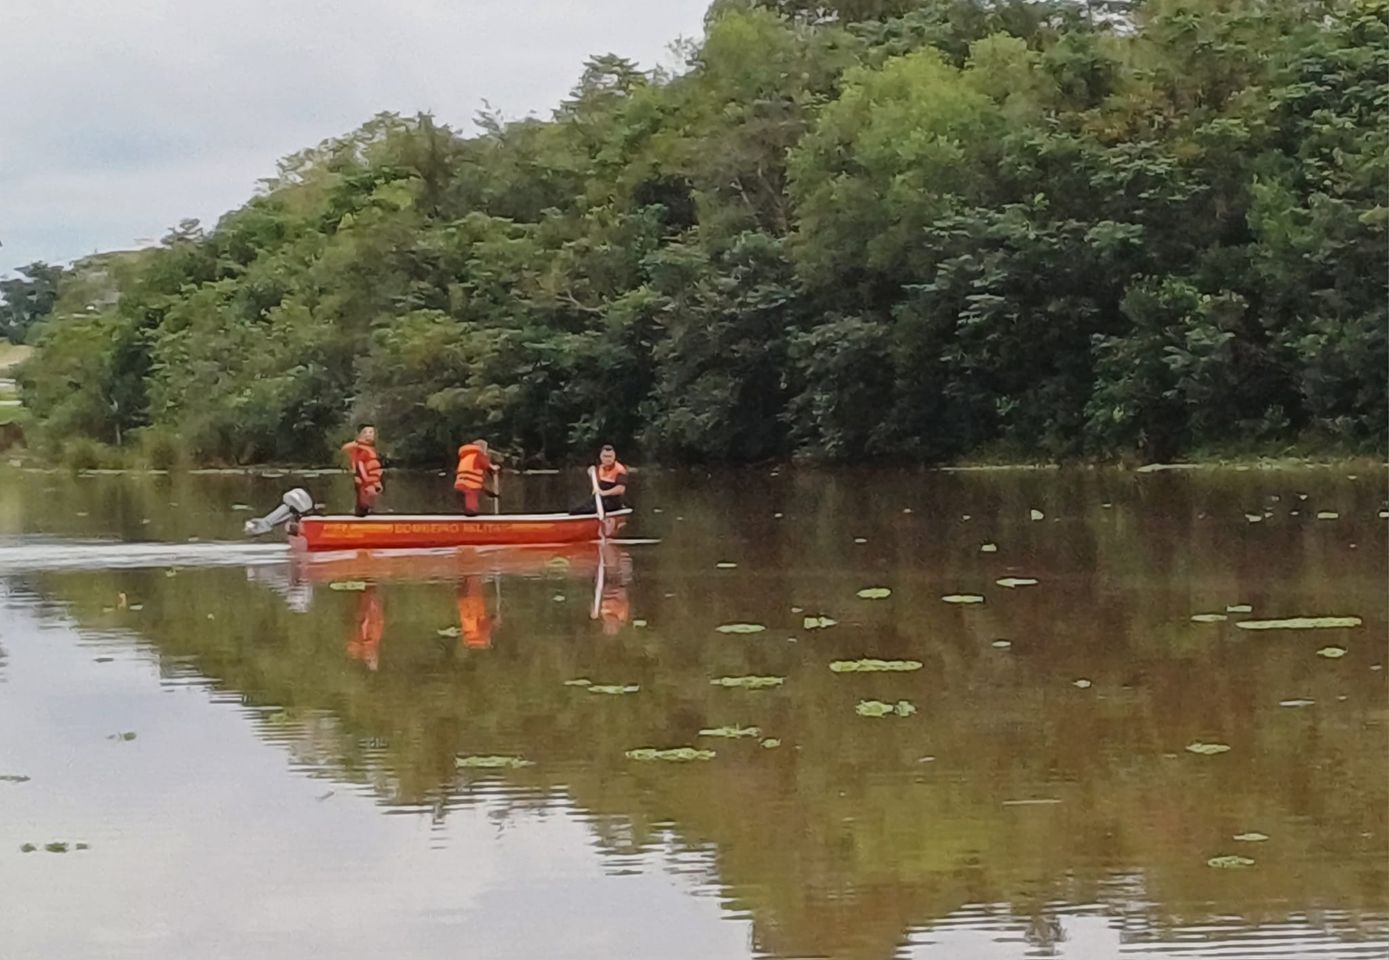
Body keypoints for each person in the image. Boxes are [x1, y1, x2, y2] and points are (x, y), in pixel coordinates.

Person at [571, 445, 629, 514]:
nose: (608, 459)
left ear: (614, 457)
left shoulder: (620, 469)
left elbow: (621, 489)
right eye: (605, 456)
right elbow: (596, 483)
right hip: (599, 500)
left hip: (612, 502)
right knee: (575, 510)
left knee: (584, 510)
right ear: (601, 457)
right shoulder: (599, 468)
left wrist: (603, 493)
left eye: (610, 456)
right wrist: (591, 473)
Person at [341, 424, 383, 518]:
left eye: (371, 432)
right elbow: (360, 466)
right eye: (365, 432)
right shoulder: (360, 449)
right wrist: (367, 483)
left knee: (367, 506)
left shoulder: (370, 448)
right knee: (363, 505)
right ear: (359, 435)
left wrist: (377, 483)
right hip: (365, 483)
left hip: (371, 482)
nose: (368, 434)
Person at [454, 439, 500, 516]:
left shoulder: (466, 456)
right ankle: (471, 512)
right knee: (471, 496)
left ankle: (466, 511)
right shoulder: (478, 455)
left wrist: (489, 492)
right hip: (470, 483)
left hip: (460, 481)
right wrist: (494, 468)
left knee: (467, 496)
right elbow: (486, 464)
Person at [455, 575, 496, 650]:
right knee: (464, 579)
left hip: (474, 605)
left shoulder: (482, 636)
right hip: (463, 605)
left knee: (473, 577)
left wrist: (493, 619)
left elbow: (486, 624)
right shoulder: (468, 633)